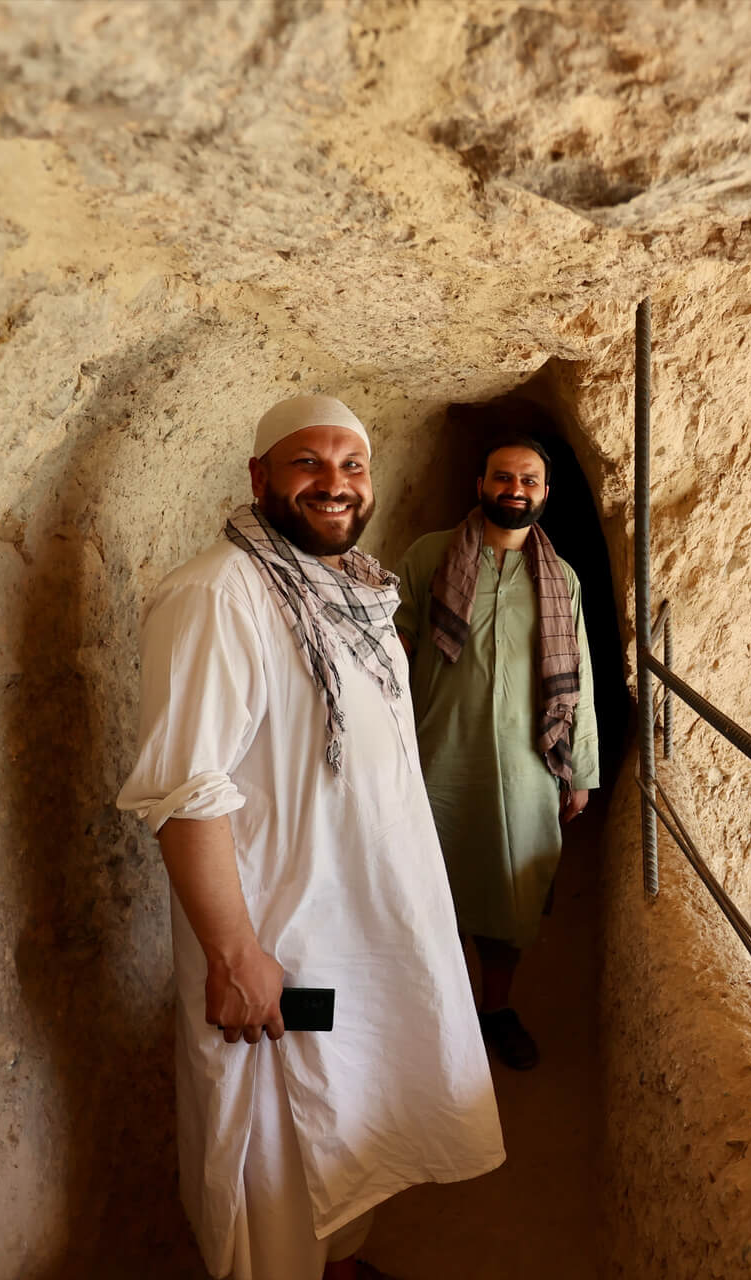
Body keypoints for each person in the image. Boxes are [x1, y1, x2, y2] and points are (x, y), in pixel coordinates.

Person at [116, 395, 504, 1280]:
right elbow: (186, 792)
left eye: (352, 465)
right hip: (278, 938)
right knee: (271, 1143)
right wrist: (234, 953)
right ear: (259, 478)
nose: (335, 484)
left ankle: (334, 1262)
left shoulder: (351, 584)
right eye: (307, 464)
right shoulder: (218, 595)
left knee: (353, 1096)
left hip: (356, 921)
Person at [394, 436, 600, 1071]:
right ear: (480, 484)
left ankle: (494, 1012)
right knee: (431, 892)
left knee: (510, 899)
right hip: (438, 760)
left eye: (529, 480)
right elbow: (388, 654)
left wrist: (581, 772)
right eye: (503, 477)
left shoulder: (560, 577)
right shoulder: (430, 556)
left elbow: (580, 677)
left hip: (526, 768)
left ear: (544, 493)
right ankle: (440, 1018)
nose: (516, 489)